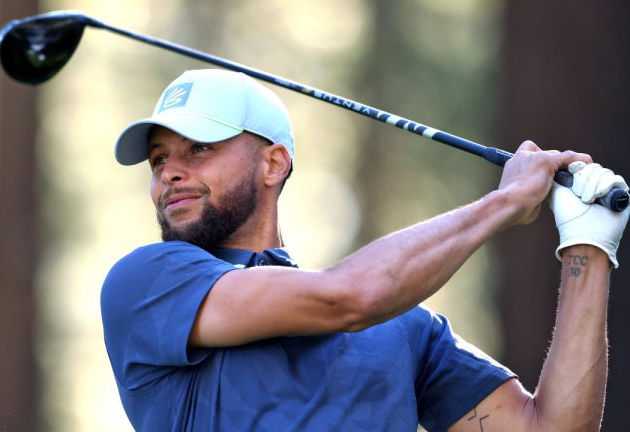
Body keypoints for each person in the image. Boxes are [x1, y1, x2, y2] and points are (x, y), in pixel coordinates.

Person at [100, 69, 629, 431]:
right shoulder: (148, 283)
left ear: (273, 164)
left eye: (200, 148)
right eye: (158, 159)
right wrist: (506, 201)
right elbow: (351, 296)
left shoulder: (405, 329)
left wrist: (590, 243)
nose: (170, 171)